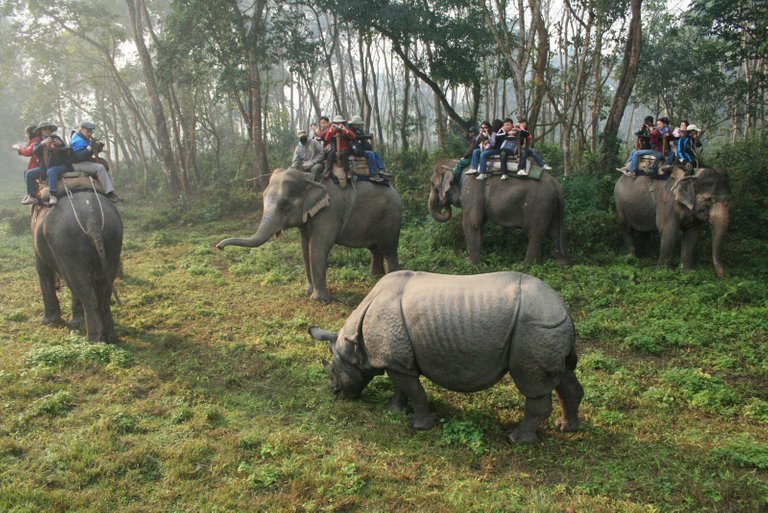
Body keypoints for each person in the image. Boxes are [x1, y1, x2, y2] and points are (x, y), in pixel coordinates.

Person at [69, 121, 121, 202]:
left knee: (104, 163)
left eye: (91, 131)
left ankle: (101, 186)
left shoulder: (84, 137)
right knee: (100, 168)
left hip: (83, 162)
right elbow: (80, 157)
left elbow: (89, 153)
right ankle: (110, 193)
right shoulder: (77, 140)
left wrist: (98, 147)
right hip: (77, 164)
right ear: (82, 130)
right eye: (88, 131)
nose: (90, 134)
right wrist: (90, 146)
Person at [32, 122, 71, 206]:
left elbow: (66, 150)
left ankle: (53, 194)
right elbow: (35, 151)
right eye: (44, 129)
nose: (47, 131)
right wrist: (43, 144)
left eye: (49, 129)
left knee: (51, 171)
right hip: (44, 167)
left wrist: (59, 145)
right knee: (29, 174)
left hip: (60, 165)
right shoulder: (39, 142)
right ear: (41, 132)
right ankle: (32, 196)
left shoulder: (56, 138)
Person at [348, 115, 386, 182]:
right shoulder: (349, 130)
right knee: (370, 154)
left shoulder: (359, 130)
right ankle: (373, 174)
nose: (358, 125)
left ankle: (381, 169)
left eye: (359, 124)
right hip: (355, 150)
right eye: (357, 124)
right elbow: (353, 139)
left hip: (361, 148)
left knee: (375, 153)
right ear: (353, 123)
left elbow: (363, 140)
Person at [13, 124, 43, 205]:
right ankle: (31, 193)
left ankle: (33, 196)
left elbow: (28, 152)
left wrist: (19, 148)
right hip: (39, 164)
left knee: (29, 174)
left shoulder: (37, 140)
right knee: (26, 172)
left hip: (42, 166)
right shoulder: (38, 140)